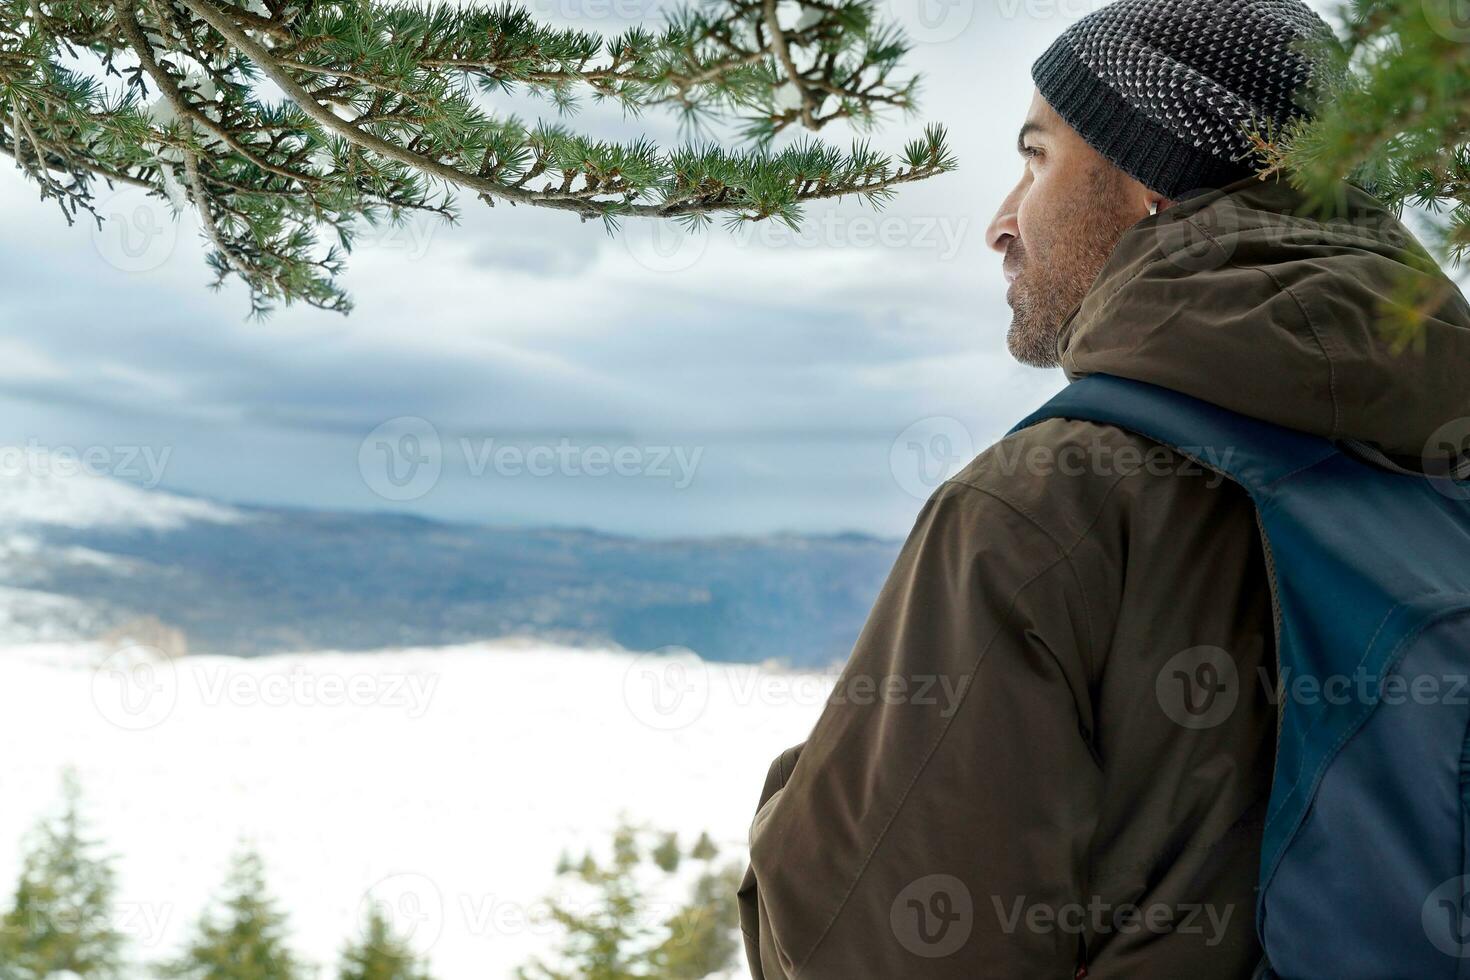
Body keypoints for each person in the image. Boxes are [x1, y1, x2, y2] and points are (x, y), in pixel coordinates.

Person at [737, 0, 1470, 976]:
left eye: (1037, 158)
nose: (1001, 221)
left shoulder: (1043, 505)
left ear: (1148, 180)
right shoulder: (1444, 461)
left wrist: (811, 791)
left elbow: (866, 945)